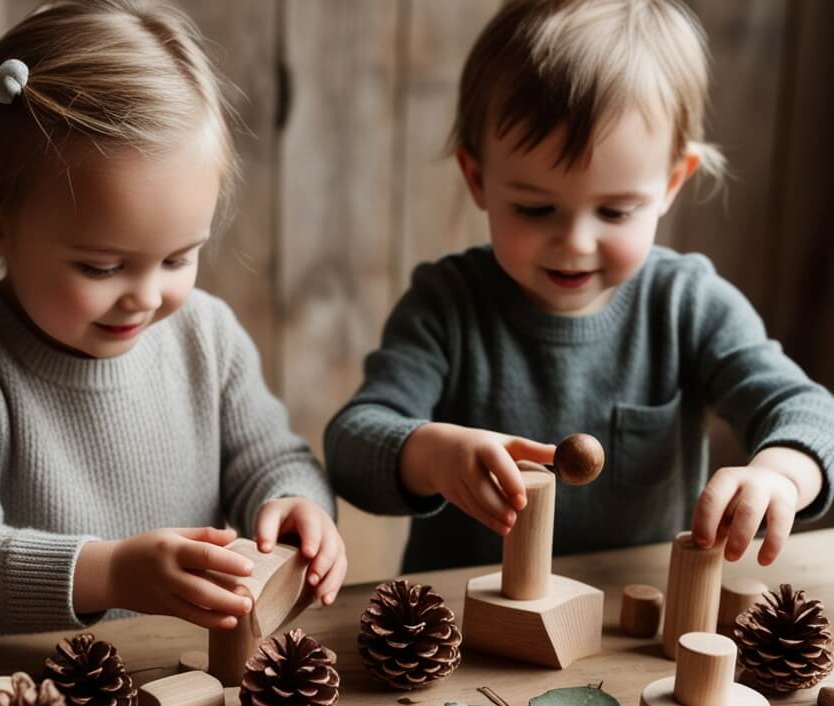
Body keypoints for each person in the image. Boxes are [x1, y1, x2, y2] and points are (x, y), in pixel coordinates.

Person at [325, 0, 834, 576]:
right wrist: (429, 455)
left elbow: (807, 411)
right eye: (535, 208)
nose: (575, 242)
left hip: (630, 614)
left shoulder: (688, 305)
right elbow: (351, 446)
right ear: (477, 178)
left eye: (615, 211)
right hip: (464, 616)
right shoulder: (445, 306)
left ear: (671, 183)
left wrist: (781, 473)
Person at [0, 0, 346, 640]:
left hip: (187, 677)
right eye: (101, 267)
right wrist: (109, 574)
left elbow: (270, 459)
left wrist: (297, 506)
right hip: (21, 690)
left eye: (178, 258)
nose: (146, 298)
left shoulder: (208, 339)